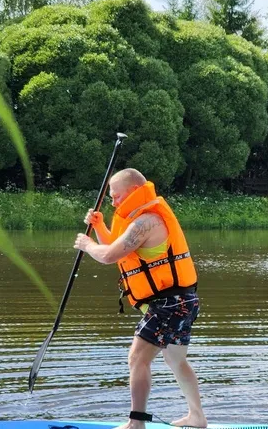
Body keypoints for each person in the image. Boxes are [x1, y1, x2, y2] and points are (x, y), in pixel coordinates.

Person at [73, 168, 206, 429]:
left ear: (134, 191)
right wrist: (100, 226)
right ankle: (197, 417)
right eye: (110, 198)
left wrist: (87, 245)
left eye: (117, 196)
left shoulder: (147, 221)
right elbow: (120, 251)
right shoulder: (139, 219)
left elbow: (109, 255)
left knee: (137, 358)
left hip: (169, 304)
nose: (113, 202)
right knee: (175, 359)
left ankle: (137, 423)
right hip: (182, 302)